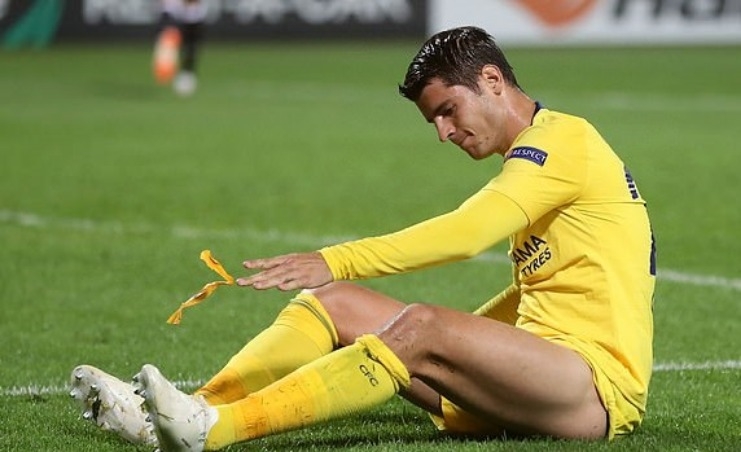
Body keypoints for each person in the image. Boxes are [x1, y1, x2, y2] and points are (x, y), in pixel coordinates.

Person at [70, 26, 656, 451]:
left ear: (492, 80)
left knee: (418, 324)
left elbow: (466, 232)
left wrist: (338, 258)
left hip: (592, 388)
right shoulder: (540, 158)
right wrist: (461, 345)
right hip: (535, 374)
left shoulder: (563, 143)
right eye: (434, 120)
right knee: (335, 302)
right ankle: (191, 409)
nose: (443, 133)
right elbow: (539, 291)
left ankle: (214, 432)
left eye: (448, 110)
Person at [152, 0, 206, 96]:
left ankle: (186, 74)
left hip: (192, 15)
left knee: (191, 47)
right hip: (173, 12)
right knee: (170, 38)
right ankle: (166, 69)